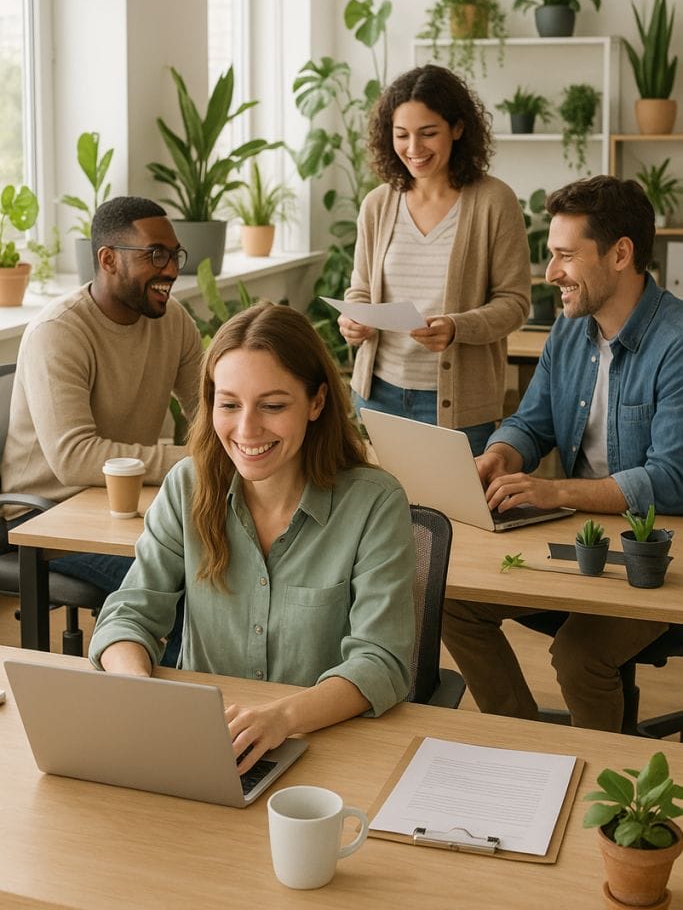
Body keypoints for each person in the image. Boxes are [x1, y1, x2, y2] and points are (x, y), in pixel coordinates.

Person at [89, 302, 416, 773]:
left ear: (317, 402)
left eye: (273, 405)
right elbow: (128, 613)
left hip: (329, 750)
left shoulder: (374, 502)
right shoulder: (187, 486)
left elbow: (380, 662)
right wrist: (139, 688)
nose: (246, 430)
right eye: (229, 404)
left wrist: (281, 718)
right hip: (203, 748)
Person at [442, 174, 683, 732]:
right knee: (450, 602)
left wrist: (553, 492)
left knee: (580, 656)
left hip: (656, 557)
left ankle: (607, 793)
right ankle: (527, 747)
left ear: (620, 253)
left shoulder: (675, 344)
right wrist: (499, 456)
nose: (550, 274)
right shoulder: (571, 331)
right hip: (585, 547)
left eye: (565, 256)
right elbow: (532, 422)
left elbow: (670, 480)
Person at [2, 196, 203, 648]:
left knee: (232, 571)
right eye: (156, 255)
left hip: (127, 509)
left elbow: (211, 412)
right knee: (188, 592)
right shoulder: (59, 331)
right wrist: (194, 458)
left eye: (174, 255)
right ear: (108, 259)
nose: (171, 269)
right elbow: (75, 459)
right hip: (49, 518)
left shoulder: (174, 322)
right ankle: (161, 710)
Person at [339, 64, 530, 455]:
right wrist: (354, 319)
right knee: (382, 514)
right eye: (402, 135)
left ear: (457, 129)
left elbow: (515, 303)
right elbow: (360, 289)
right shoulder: (377, 204)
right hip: (378, 397)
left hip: (460, 408)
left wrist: (457, 328)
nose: (414, 148)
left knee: (461, 516)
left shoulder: (494, 201)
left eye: (428, 133)